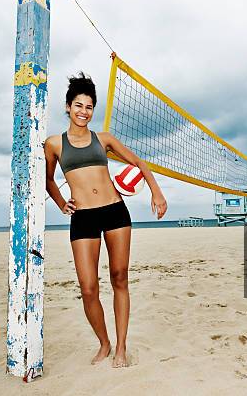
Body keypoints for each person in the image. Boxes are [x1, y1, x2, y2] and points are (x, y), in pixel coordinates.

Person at [44, 72, 167, 368]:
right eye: (78, 105)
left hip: (114, 210)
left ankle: (121, 347)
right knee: (88, 288)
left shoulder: (105, 139)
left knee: (119, 278)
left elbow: (139, 162)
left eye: (88, 107)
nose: (83, 112)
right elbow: (48, 179)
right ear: (67, 107)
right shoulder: (54, 144)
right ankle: (104, 343)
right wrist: (62, 203)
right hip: (83, 216)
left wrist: (156, 193)